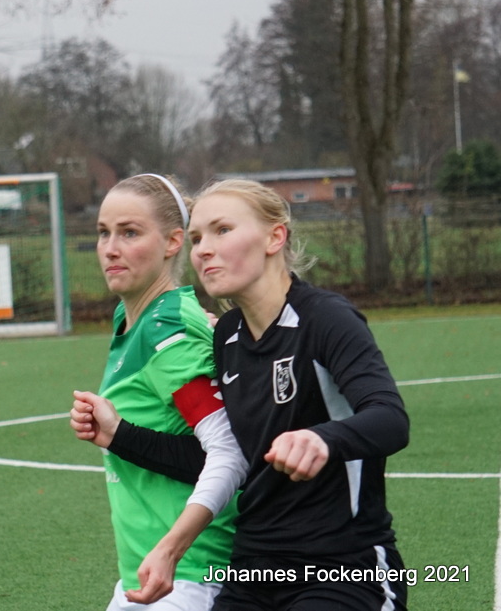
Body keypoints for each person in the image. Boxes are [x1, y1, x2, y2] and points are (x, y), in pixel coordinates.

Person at [78, 178, 410, 610]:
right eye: (197, 238)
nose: (204, 250)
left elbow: (390, 419)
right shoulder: (227, 337)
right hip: (251, 570)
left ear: (275, 237)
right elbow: (225, 457)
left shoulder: (326, 318)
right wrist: (120, 437)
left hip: (340, 565)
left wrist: (322, 438)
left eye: (222, 230)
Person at [68, 174, 245, 610]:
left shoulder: (168, 332)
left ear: (172, 242)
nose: (110, 248)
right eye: (103, 233)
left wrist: (118, 435)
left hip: (189, 577)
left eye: (129, 233)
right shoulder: (135, 318)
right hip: (146, 573)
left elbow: (229, 451)